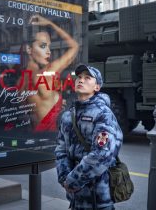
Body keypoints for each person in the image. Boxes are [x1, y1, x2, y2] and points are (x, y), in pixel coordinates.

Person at [55, 64, 123, 210]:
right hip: (75, 196)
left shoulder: (103, 114)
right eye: (79, 77)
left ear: (97, 87)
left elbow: (102, 154)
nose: (81, 80)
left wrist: (73, 180)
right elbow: (61, 148)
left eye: (87, 78)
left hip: (98, 197)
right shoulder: (68, 115)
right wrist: (64, 176)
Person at [20, 14, 79, 132]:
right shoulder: (49, 71)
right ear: (29, 49)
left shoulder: (23, 77)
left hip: (35, 134)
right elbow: (74, 46)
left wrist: (55, 101)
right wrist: (50, 23)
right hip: (48, 135)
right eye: (43, 46)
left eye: (49, 46)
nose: (48, 52)